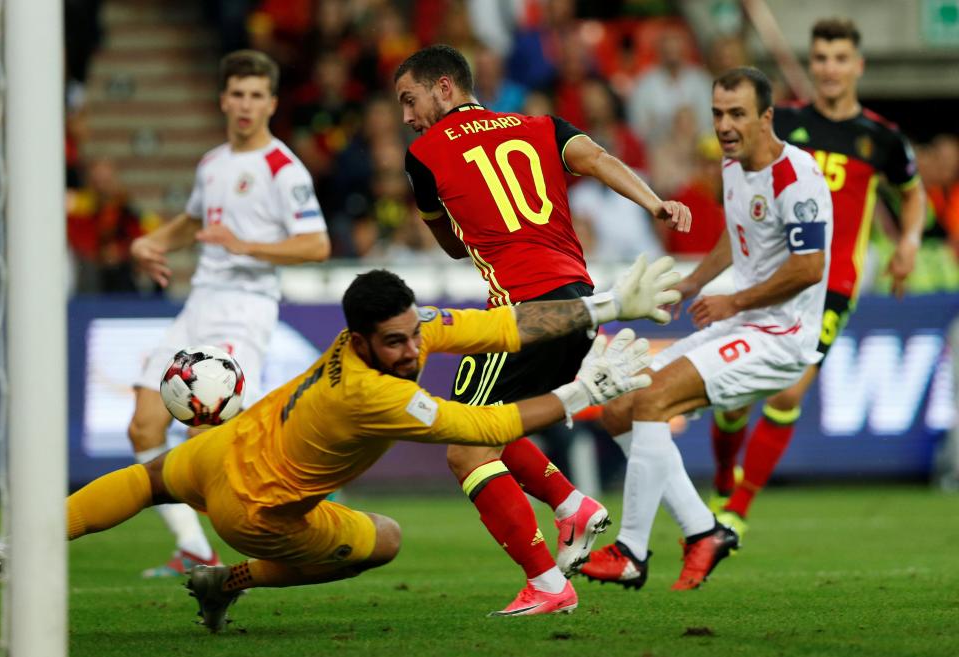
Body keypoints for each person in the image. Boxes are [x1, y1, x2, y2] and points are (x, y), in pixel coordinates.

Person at [67, 262, 681, 630]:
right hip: (252, 512)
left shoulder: (395, 333)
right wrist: (583, 391)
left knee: (147, 479)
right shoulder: (370, 395)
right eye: (395, 344)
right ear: (359, 341)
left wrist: (606, 305)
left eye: (415, 335)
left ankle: (27, 541)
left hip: (227, 444)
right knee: (383, 540)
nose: (412, 353)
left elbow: (503, 325)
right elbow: (482, 429)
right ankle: (228, 580)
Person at [394, 44, 692, 614]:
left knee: (462, 448)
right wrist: (654, 203)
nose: (408, 117)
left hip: (522, 313)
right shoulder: (541, 125)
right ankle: (570, 506)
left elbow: (454, 247)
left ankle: (549, 584)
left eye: (411, 101)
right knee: (492, 425)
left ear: (445, 89)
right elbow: (599, 158)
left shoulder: (424, 154)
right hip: (578, 303)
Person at [580, 66, 833, 590]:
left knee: (650, 400)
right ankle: (703, 530)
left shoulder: (797, 177)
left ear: (766, 117)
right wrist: (694, 281)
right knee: (618, 408)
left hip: (781, 337)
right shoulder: (734, 166)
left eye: (737, 114)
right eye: (718, 113)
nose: (724, 125)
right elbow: (739, 234)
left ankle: (631, 549)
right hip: (743, 319)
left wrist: (734, 298)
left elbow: (809, 268)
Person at [707, 18, 926, 535]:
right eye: (821, 58)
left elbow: (911, 193)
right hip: (766, 277)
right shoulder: (779, 123)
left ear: (858, 66)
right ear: (812, 64)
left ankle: (734, 512)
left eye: (840, 58)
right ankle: (723, 473)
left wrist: (909, 242)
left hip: (831, 285)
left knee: (786, 394)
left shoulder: (881, 139)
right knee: (733, 398)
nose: (830, 69)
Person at [126, 49, 331, 577]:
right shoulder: (213, 163)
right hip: (199, 303)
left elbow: (316, 245)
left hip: (246, 308)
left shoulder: (283, 169)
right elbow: (192, 220)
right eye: (237, 94)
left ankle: (277, 528)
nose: (245, 105)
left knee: (205, 434)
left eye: (256, 95)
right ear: (223, 99)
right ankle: (195, 549)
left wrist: (244, 246)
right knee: (143, 426)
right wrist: (152, 241)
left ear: (272, 103)